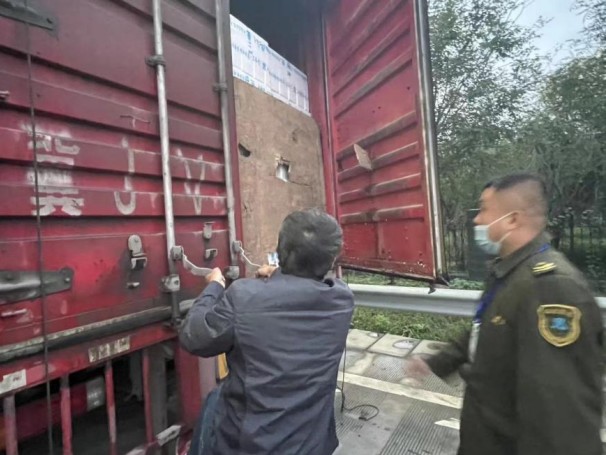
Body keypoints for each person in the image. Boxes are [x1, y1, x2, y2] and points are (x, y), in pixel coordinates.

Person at [407, 172, 603, 455]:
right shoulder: (511, 271)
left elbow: (558, 413)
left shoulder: (550, 287)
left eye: (484, 210)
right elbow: (485, 329)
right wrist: (436, 362)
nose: (477, 220)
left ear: (512, 220)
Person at [179, 208, 354, 455]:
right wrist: (281, 276)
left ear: (280, 251)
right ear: (332, 259)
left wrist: (214, 287)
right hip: (312, 446)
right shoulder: (343, 300)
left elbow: (194, 338)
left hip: (250, 448)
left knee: (213, 403)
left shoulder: (243, 296)